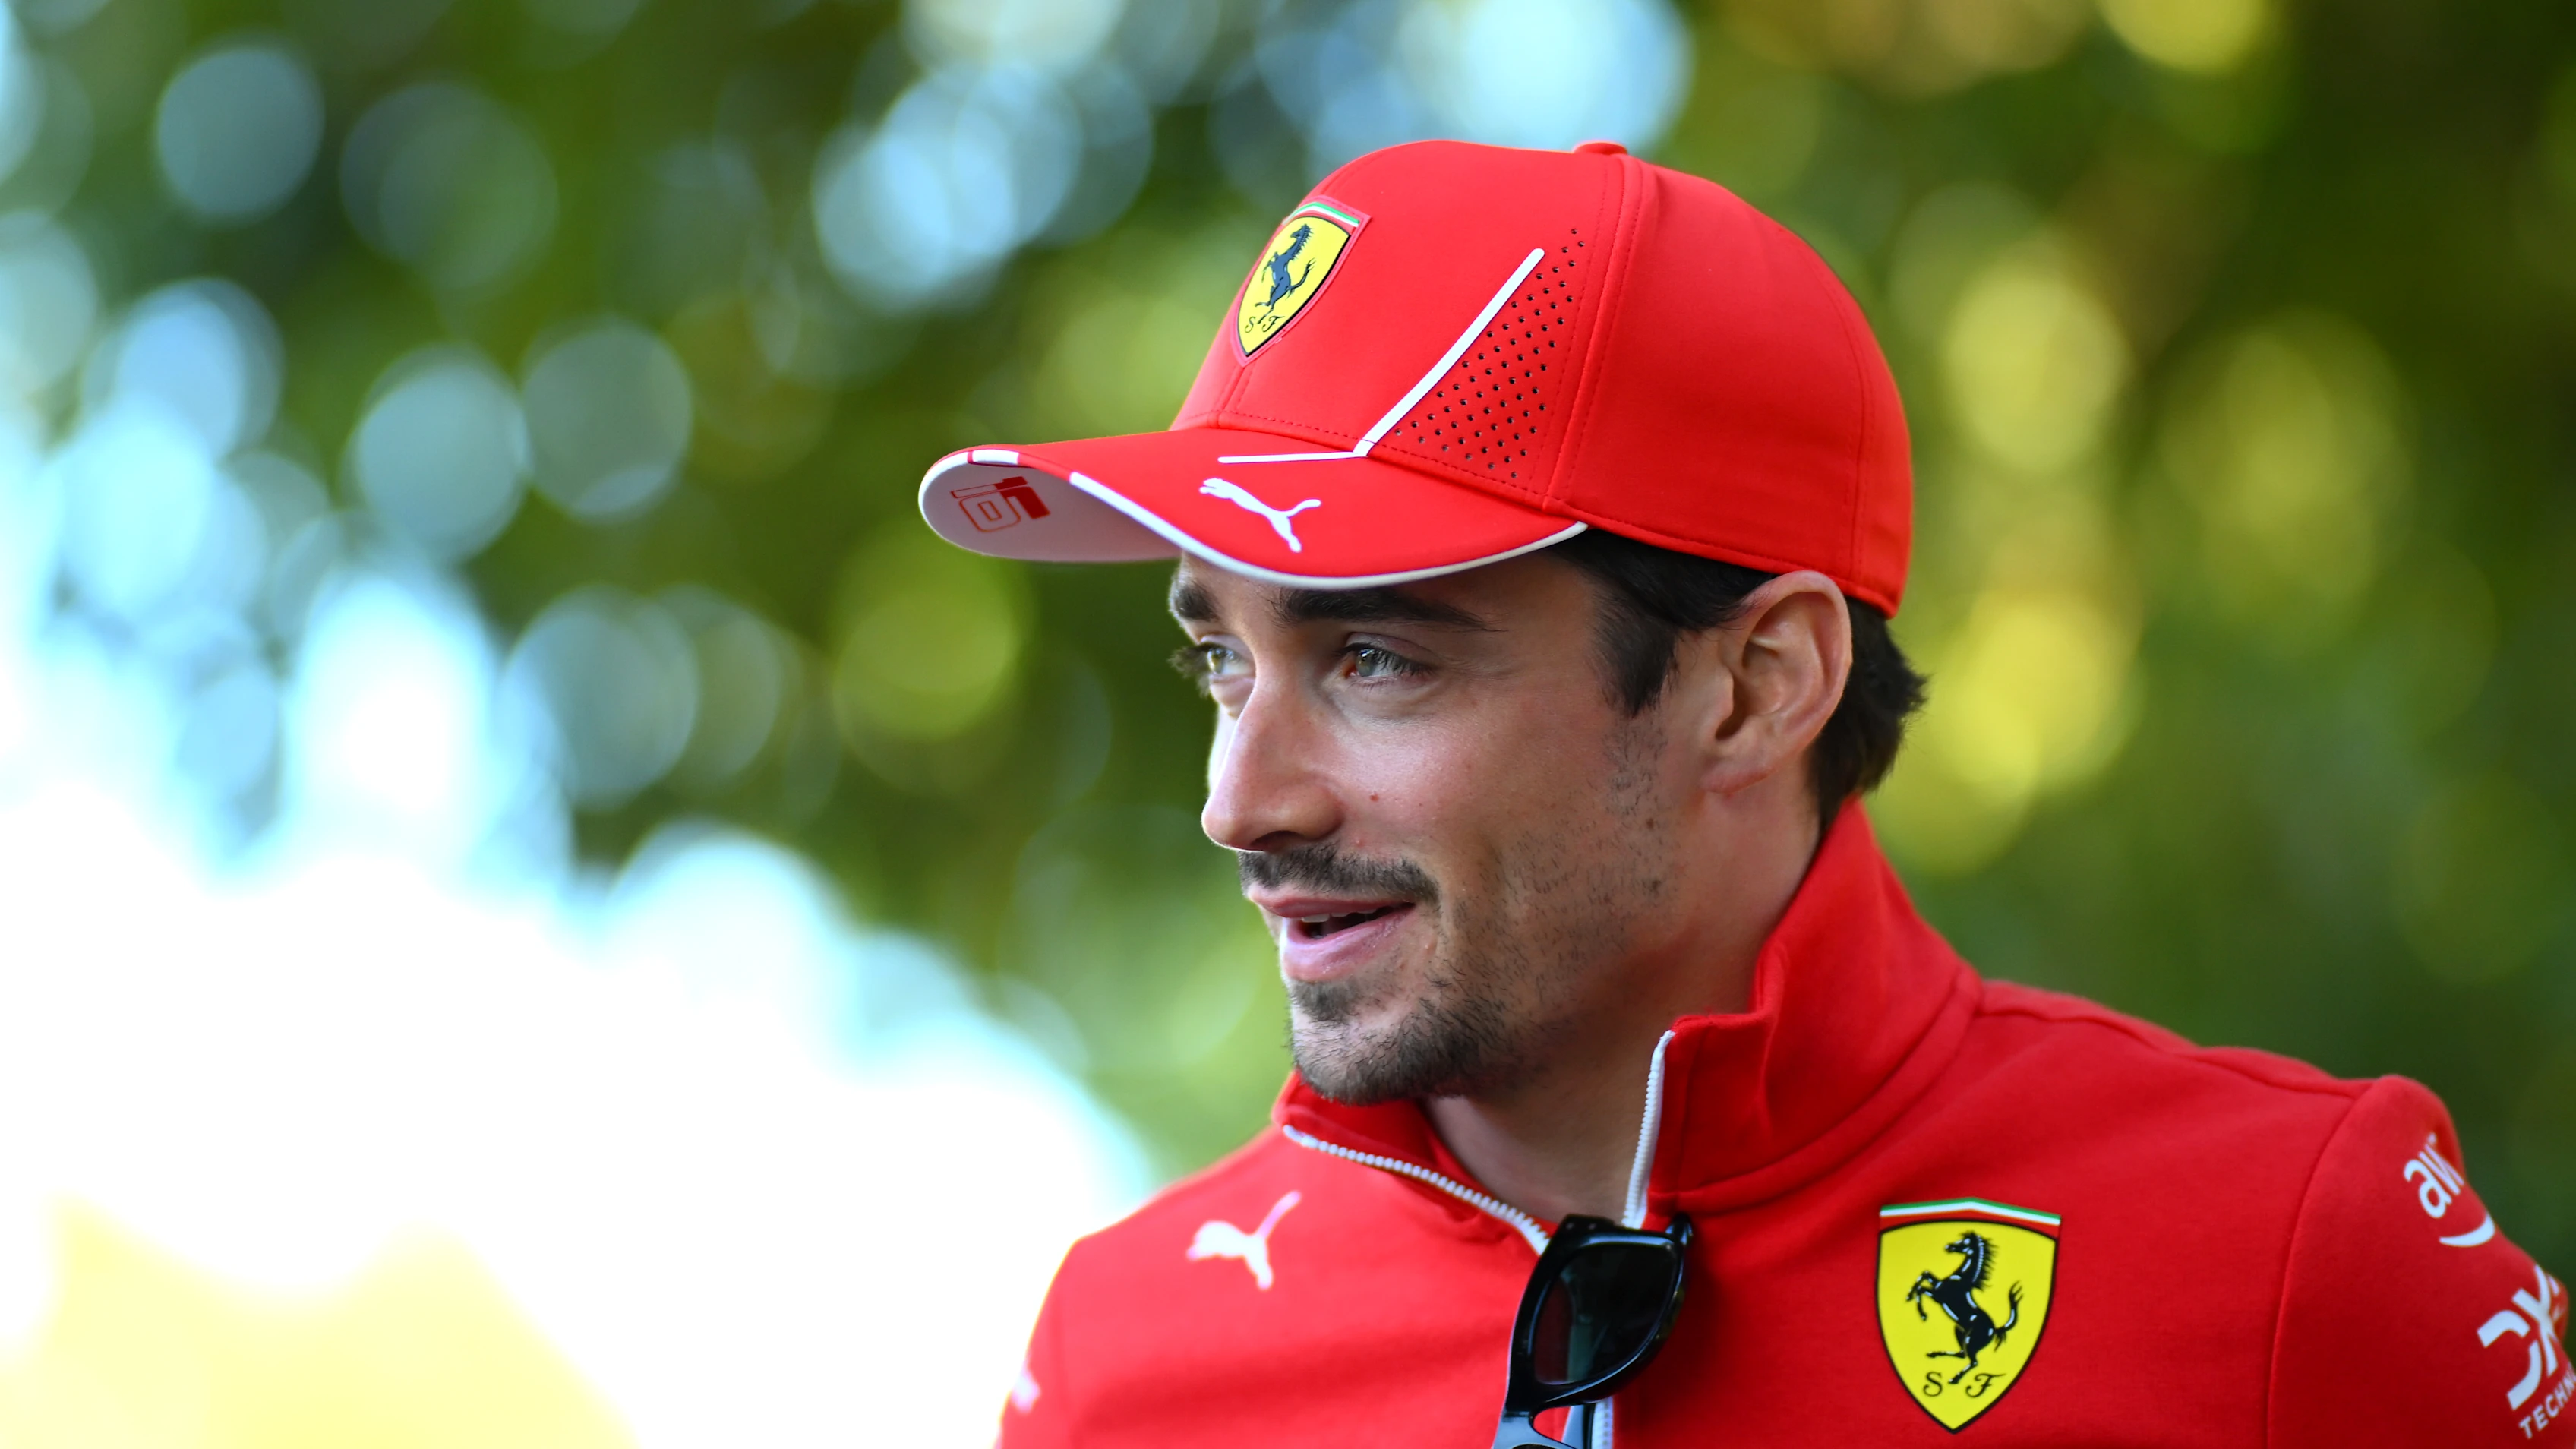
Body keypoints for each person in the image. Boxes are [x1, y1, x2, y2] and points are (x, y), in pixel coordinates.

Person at [917, 140, 2570, 1446]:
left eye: (1375, 661)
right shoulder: (1125, 1359)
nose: (1239, 800)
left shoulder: (2295, 1248)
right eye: (1221, 662)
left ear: (1755, 685)